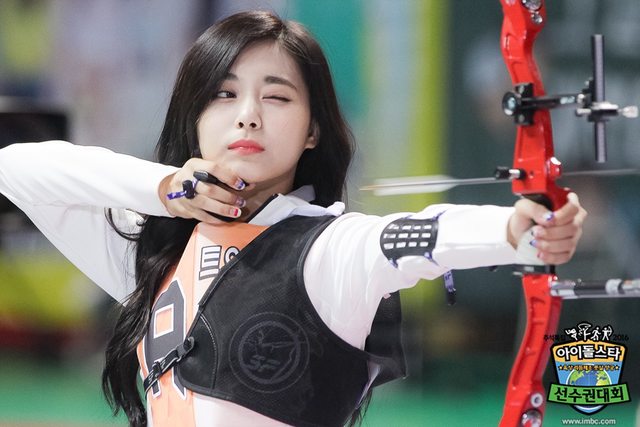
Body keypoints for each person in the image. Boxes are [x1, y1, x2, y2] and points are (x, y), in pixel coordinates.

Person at [0, 10, 586, 427]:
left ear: (312, 131)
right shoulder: (153, 254)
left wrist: (518, 230)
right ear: (194, 119)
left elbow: (416, 236)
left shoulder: (331, 249)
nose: (248, 116)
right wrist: (164, 188)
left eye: (277, 97)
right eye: (224, 95)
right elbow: (15, 167)